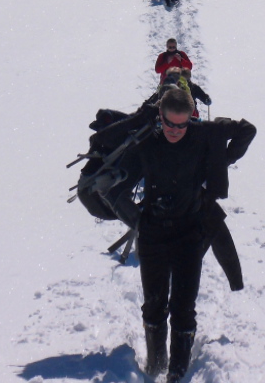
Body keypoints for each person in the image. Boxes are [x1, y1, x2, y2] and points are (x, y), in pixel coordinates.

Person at [100, 88, 256, 382]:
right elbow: (105, 147)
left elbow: (247, 131)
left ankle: (177, 373)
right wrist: (141, 117)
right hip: (153, 235)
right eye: (169, 124)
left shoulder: (202, 136)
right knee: (154, 305)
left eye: (181, 125)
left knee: (184, 307)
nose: (174, 130)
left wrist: (221, 155)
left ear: (190, 119)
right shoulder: (147, 142)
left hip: (189, 234)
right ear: (160, 116)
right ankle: (155, 366)